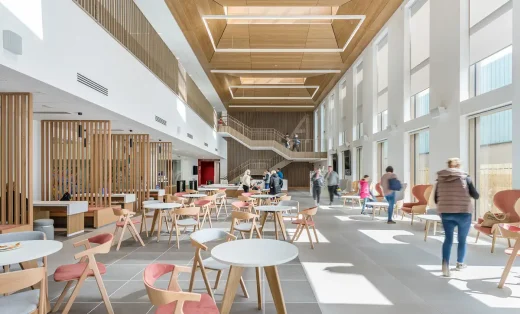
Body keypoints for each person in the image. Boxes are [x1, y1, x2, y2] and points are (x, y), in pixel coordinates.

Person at [435, 158, 479, 277]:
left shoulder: (440, 179)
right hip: (463, 212)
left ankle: (445, 264)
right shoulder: (465, 177)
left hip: (446, 212)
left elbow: (435, 198)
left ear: (448, 165)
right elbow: (475, 195)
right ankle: (460, 263)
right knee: (462, 239)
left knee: (448, 239)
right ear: (459, 166)